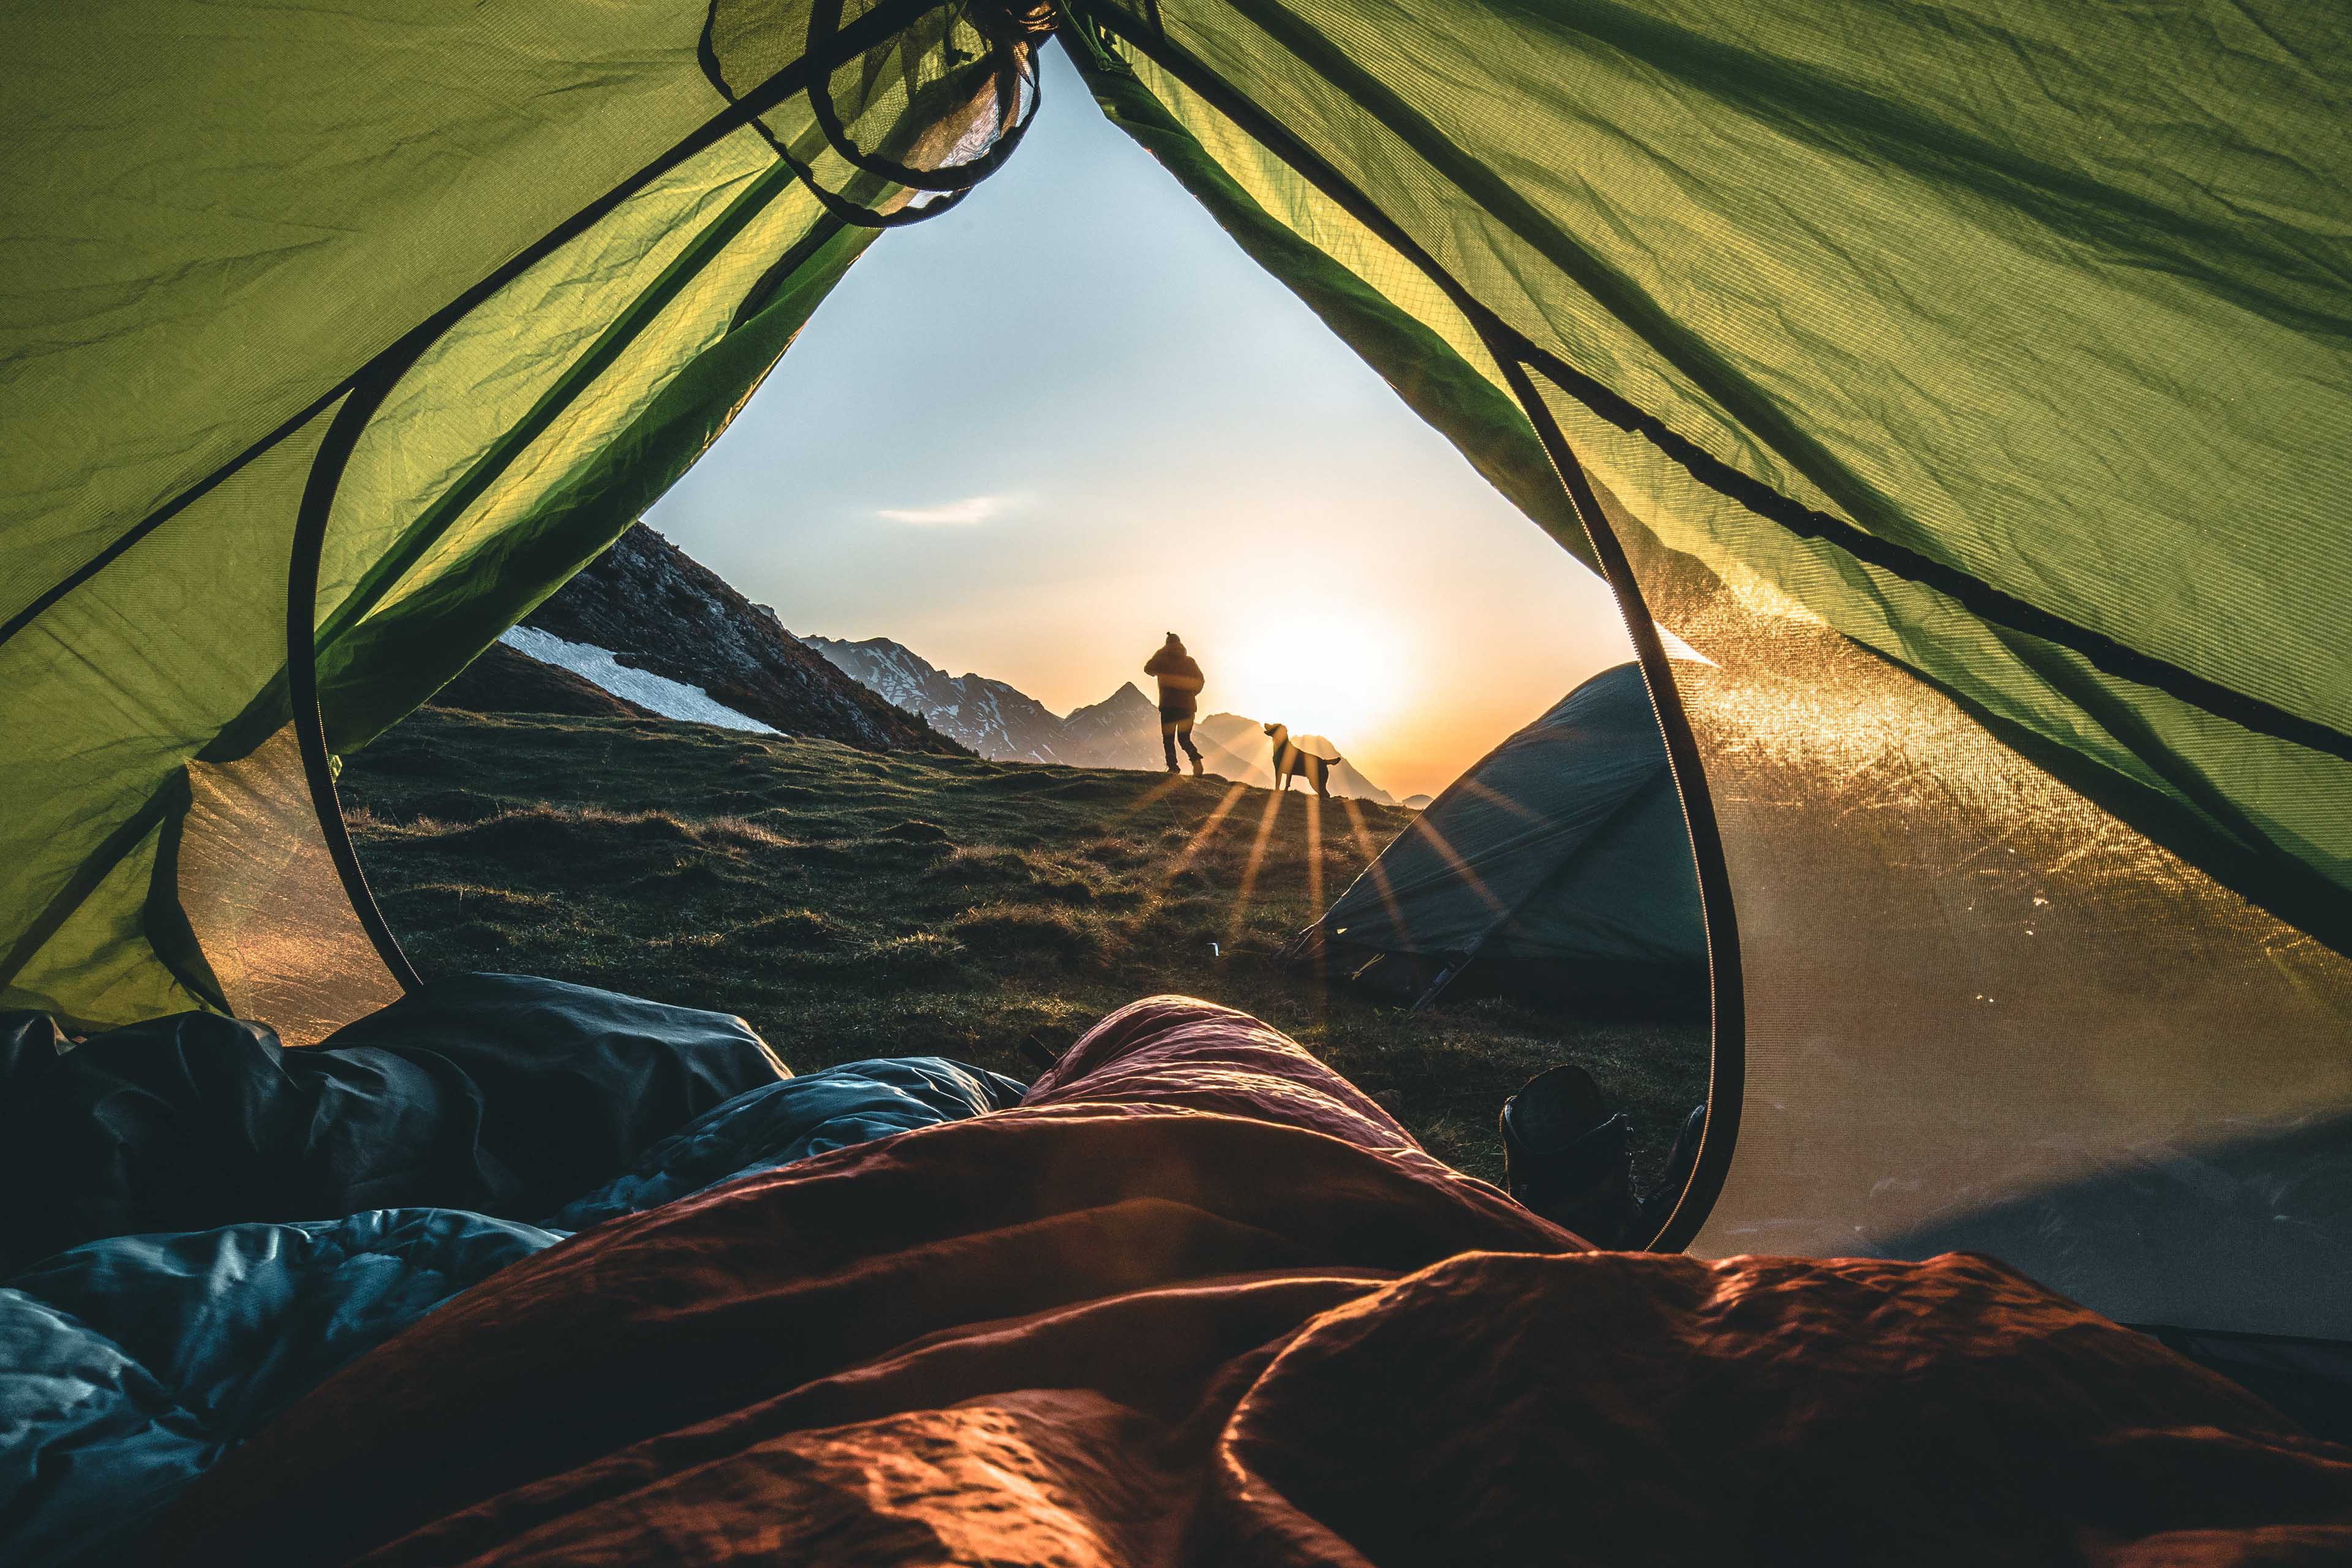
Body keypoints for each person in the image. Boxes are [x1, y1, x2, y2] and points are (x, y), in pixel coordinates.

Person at [1144, 632, 1205, 775]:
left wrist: (1160, 652)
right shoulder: (1190, 662)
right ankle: (1196, 760)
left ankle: (1173, 768)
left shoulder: (1162, 661)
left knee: (1169, 739)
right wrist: (1191, 694)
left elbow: (1148, 669)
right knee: (1184, 738)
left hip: (1169, 706)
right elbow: (1201, 681)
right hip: (1188, 708)